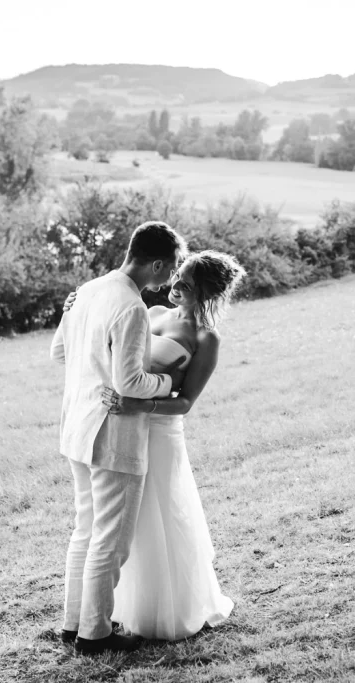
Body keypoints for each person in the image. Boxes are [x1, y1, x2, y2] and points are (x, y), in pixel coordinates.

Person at [62, 249, 246, 641]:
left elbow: (185, 402)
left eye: (187, 284)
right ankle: (115, 608)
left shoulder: (206, 339)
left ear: (207, 293)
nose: (175, 285)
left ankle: (166, 608)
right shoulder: (151, 312)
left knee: (161, 517)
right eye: (177, 275)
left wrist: (143, 403)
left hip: (161, 432)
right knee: (124, 527)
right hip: (122, 426)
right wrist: (75, 310)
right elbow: (117, 352)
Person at [49, 221, 188, 655]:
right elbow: (130, 383)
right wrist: (167, 385)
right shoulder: (130, 307)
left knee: (85, 530)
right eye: (173, 268)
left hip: (76, 426)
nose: (172, 278)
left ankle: (73, 625)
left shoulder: (87, 290)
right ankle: (95, 635)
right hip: (112, 434)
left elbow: (59, 352)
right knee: (110, 538)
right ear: (158, 264)